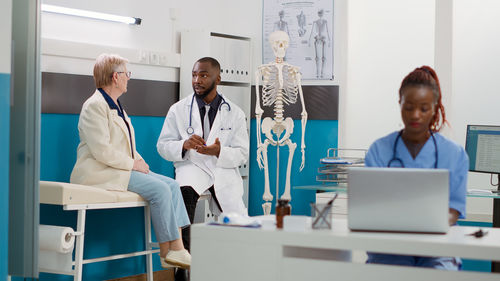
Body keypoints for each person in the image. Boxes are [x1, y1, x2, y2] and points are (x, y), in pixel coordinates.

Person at [70, 53, 191, 269]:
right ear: (115, 77)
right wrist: (133, 164)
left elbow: (127, 147)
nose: (129, 78)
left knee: (172, 185)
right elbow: (102, 151)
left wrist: (141, 163)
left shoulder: (116, 107)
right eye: (127, 74)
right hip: (100, 171)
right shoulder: (94, 106)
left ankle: (175, 250)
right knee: (160, 190)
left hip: (120, 168)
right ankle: (168, 251)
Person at [364, 66, 468, 270]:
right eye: (409, 107)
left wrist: (414, 225)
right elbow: (368, 208)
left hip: (437, 250)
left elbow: (453, 211)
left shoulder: (455, 154)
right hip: (389, 250)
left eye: (423, 108)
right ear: (399, 104)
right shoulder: (379, 150)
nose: (415, 115)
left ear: (435, 108)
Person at [157, 56, 249, 251]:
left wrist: (219, 151)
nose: (197, 80)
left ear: (218, 79)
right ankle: (183, 263)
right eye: (194, 75)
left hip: (222, 170)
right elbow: (163, 145)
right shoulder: (178, 110)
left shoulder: (235, 113)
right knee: (184, 198)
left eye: (204, 75)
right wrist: (184, 144)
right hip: (193, 166)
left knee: (238, 224)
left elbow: (242, 153)